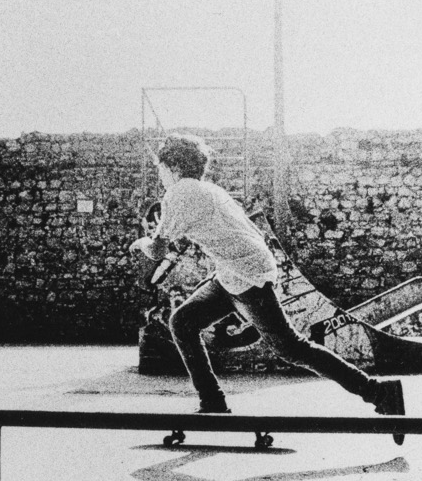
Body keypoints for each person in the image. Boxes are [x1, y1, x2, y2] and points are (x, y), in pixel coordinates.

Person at [130, 133, 405, 425]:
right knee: (183, 322)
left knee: (292, 348)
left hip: (247, 274)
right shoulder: (209, 190)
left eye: (161, 169)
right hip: (233, 273)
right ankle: (212, 401)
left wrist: (141, 243)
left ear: (173, 167)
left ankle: (379, 392)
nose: (160, 176)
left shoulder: (180, 192)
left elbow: (157, 250)